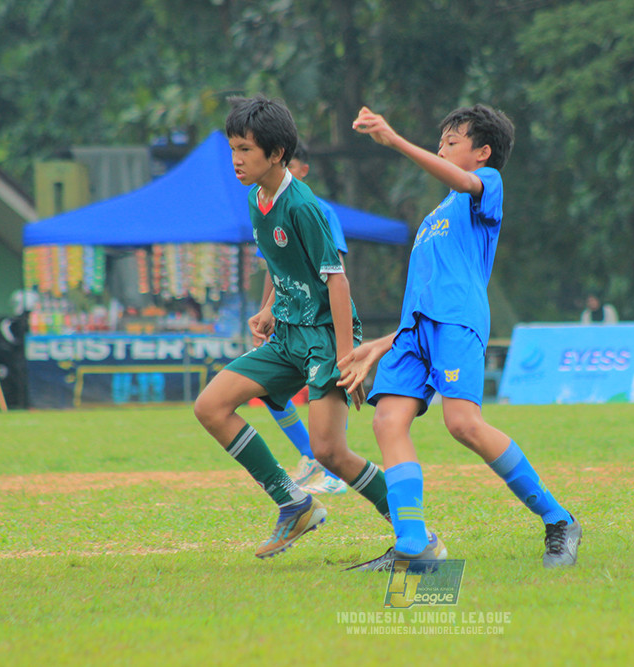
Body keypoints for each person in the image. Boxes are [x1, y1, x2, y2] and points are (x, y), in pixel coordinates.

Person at [340, 104, 582, 570]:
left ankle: (559, 519)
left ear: (482, 152)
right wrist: (381, 343)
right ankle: (415, 546)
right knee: (387, 422)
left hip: (458, 324)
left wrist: (396, 141)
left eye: (451, 142)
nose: (441, 149)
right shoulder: (437, 215)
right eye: (440, 143)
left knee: (463, 424)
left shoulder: (486, 185)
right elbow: (428, 297)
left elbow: (463, 190)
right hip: (414, 332)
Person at [192, 94, 390, 560]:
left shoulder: (303, 207)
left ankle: (411, 524)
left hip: (323, 338)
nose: (236, 160)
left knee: (329, 452)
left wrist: (347, 357)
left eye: (245, 149)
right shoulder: (255, 198)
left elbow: (336, 281)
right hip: (286, 335)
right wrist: (267, 307)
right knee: (211, 406)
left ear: (276, 154)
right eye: (233, 148)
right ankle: (294, 502)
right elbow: (277, 262)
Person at [259, 140, 350, 497]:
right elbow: (276, 266)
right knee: (269, 391)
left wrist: (340, 338)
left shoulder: (316, 209)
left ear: (300, 170)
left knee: (323, 395)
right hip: (286, 318)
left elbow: (335, 271)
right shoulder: (266, 207)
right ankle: (310, 456)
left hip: (318, 322)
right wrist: (267, 309)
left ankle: (332, 468)